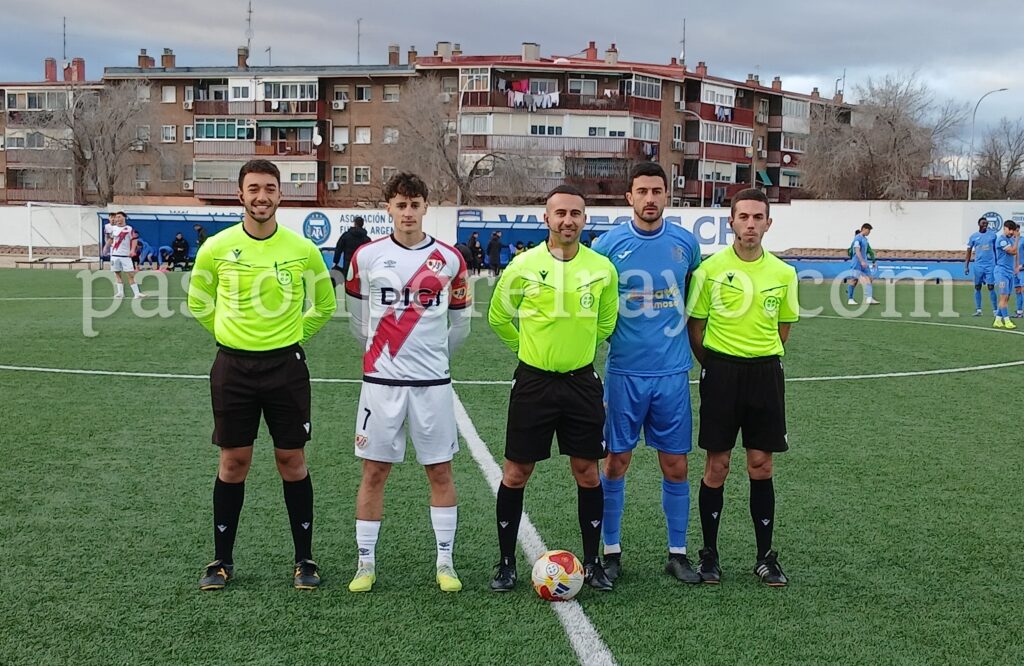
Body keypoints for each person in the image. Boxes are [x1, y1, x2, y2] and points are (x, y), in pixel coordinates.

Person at [187, 159, 337, 591]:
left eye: (269, 188)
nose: (261, 196)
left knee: (291, 461)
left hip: (285, 369)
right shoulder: (216, 248)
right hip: (232, 368)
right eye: (253, 188)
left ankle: (305, 560)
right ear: (241, 194)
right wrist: (230, 335)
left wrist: (291, 335)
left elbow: (324, 305)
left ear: (280, 195)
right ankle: (221, 561)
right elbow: (199, 303)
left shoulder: (302, 249)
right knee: (234, 463)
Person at [344, 172, 471, 593]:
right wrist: (384, 355)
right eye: (400, 205)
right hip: (380, 384)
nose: (408, 212)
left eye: (415, 205)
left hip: (432, 385)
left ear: (425, 208)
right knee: (374, 471)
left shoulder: (450, 259)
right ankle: (365, 563)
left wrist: (432, 359)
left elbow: (459, 327)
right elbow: (358, 321)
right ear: (389, 209)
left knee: (440, 470)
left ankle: (446, 563)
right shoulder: (366, 256)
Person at [488, 185, 619, 593]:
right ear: (546, 218)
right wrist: (528, 351)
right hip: (533, 382)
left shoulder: (602, 269)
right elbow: (498, 318)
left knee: (587, 472)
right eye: (560, 213)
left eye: (575, 213)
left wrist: (574, 352)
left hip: (581, 383)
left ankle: (594, 562)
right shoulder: (523, 266)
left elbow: (606, 325)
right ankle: (507, 563)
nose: (568, 220)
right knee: (516, 472)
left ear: (584, 219)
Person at [590, 162, 702, 584]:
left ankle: (677, 552)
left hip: (672, 374)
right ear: (629, 198)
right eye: (642, 192)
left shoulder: (685, 244)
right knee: (616, 461)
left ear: (666, 196)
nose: (650, 199)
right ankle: (612, 551)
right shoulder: (608, 246)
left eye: (657, 191)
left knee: (675, 465)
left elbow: (693, 301)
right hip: (624, 373)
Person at [687, 188, 799, 587]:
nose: (750, 224)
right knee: (717, 465)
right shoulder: (709, 270)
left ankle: (765, 556)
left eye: (758, 217)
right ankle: (709, 555)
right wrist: (715, 367)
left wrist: (759, 357)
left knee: (761, 464)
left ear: (768, 223)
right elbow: (695, 328)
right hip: (721, 373)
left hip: (765, 374)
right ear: (731, 222)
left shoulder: (784, 274)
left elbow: (783, 329)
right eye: (743, 217)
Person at [102, 211, 144, 299]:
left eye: (119, 217)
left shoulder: (129, 229)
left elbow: (134, 239)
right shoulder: (113, 229)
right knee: (117, 273)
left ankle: (137, 293)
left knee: (130, 274)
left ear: (124, 217)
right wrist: (105, 248)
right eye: (116, 217)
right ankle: (120, 293)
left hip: (126, 256)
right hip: (115, 255)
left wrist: (132, 250)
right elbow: (111, 239)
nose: (117, 219)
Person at [965, 217, 998, 317]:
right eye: (983, 223)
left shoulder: (993, 236)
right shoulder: (973, 237)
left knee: (991, 287)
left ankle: (995, 310)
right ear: (979, 224)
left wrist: (997, 263)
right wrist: (966, 266)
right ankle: (979, 310)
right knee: (977, 287)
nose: (985, 225)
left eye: (986, 223)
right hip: (978, 265)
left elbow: (996, 250)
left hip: (990, 265)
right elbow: (969, 251)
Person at [993, 220, 1019, 329]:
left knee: (1007, 297)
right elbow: (1013, 251)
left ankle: (998, 320)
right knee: (1003, 297)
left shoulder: (1010, 239)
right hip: (1001, 272)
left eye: (1013, 231)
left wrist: (1016, 266)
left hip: (1009, 272)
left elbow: (1016, 253)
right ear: (1005, 228)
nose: (1012, 233)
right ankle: (1007, 321)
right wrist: (1017, 238)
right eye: (1010, 230)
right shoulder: (1001, 240)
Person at [848, 223, 878, 305]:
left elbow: (869, 251)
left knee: (870, 278)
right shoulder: (857, 238)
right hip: (857, 262)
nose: (869, 233)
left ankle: (869, 298)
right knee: (854, 280)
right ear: (864, 229)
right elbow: (857, 251)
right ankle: (850, 299)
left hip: (864, 262)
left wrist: (873, 261)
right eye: (868, 231)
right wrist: (861, 261)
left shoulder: (865, 239)